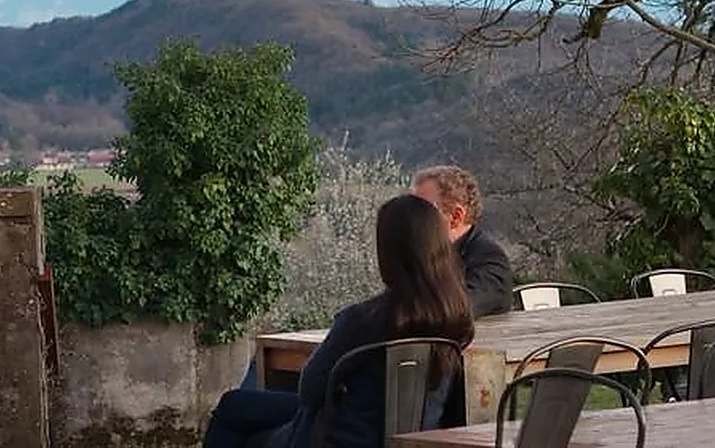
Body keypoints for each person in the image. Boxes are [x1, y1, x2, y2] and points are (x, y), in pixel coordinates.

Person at [203, 194, 474, 448]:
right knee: (237, 405)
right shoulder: (455, 319)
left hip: (343, 438)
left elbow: (310, 390)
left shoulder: (362, 319)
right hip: (412, 437)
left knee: (235, 412)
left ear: (388, 254)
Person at [410, 165, 513, 318]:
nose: (411, 219)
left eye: (422, 211)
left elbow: (456, 308)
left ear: (456, 217)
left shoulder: (488, 259)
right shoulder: (423, 257)